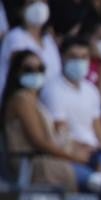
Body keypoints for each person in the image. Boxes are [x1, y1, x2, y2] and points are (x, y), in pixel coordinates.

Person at [2, 50, 82, 191]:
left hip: (43, 160)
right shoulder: (21, 99)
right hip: (30, 164)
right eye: (28, 69)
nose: (35, 72)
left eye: (40, 68)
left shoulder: (35, 100)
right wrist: (72, 157)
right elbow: (38, 142)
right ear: (17, 72)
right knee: (82, 174)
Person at [43, 37, 101, 192]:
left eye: (83, 57)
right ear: (62, 57)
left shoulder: (91, 90)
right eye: (73, 57)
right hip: (68, 156)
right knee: (98, 183)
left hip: (95, 154)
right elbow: (60, 132)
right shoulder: (53, 90)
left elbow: (99, 131)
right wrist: (80, 151)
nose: (79, 61)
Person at [0, 0, 61, 95]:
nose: (38, 7)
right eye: (31, 2)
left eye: (42, 2)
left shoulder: (48, 40)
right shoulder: (15, 37)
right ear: (21, 10)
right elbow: (25, 73)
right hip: (22, 98)